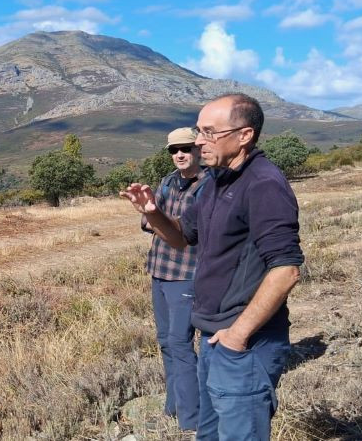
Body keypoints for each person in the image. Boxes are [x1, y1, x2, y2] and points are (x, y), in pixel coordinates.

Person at [121, 94, 303, 440]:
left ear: (244, 135)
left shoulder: (263, 184)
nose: (199, 141)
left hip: (245, 343)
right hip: (212, 337)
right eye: (198, 132)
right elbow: (182, 238)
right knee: (209, 435)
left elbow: (286, 269)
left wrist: (238, 335)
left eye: (208, 132)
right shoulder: (215, 182)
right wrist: (152, 212)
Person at [141, 128, 208, 431]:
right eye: (173, 150)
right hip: (160, 271)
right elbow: (146, 220)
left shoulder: (208, 185)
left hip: (187, 275)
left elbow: (189, 231)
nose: (179, 154)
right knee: (166, 342)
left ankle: (191, 419)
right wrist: (159, 219)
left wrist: (160, 220)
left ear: (198, 150)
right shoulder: (168, 181)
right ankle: (173, 407)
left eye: (185, 148)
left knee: (181, 344)